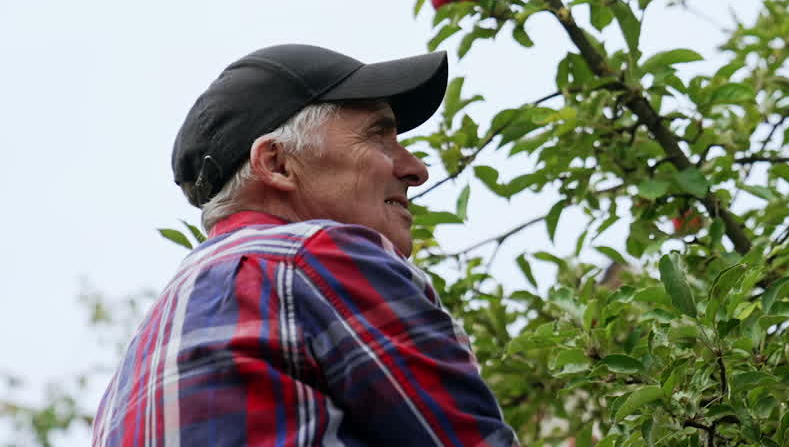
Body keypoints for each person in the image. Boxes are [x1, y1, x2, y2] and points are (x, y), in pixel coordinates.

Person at [91, 44, 519, 446]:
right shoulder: (316, 258)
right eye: (378, 136)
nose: (416, 169)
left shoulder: (131, 370)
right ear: (277, 163)